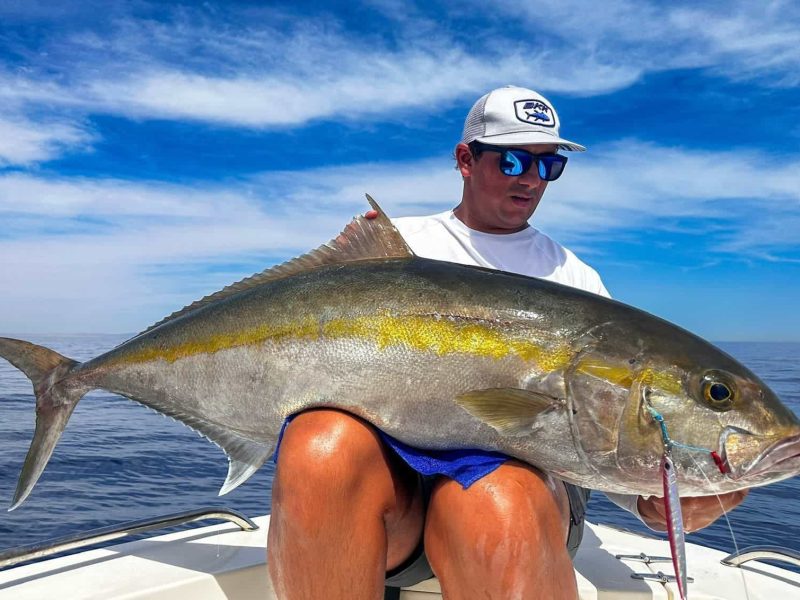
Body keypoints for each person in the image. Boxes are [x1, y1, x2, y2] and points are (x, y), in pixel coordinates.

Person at [267, 85, 747, 599]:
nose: (532, 179)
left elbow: (599, 419)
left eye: (549, 165)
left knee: (492, 494)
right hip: (395, 501)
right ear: (465, 160)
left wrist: (653, 500)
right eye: (514, 160)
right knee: (319, 447)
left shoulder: (573, 278)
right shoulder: (396, 248)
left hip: (527, 503)